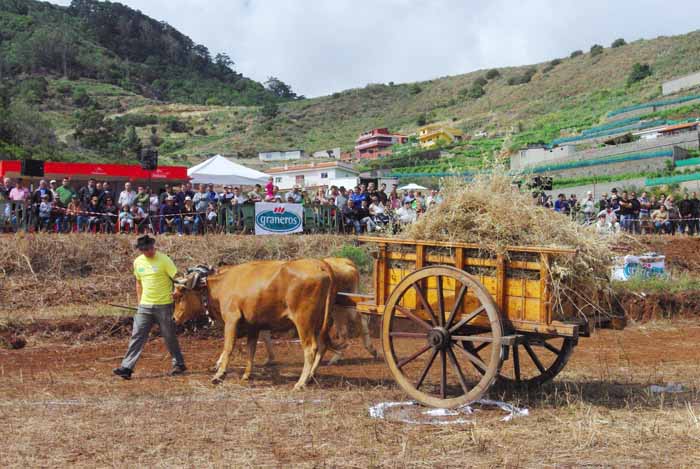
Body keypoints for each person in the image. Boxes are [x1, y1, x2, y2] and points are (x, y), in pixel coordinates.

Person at [113, 235, 186, 380]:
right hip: (145, 306)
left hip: (164, 305)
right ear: (140, 250)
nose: (149, 251)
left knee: (169, 336)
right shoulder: (138, 262)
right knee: (137, 335)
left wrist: (177, 291)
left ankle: (179, 364)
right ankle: (127, 368)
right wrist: (140, 302)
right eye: (146, 249)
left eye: (151, 248)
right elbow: (138, 282)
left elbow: (177, 278)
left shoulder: (164, 260)